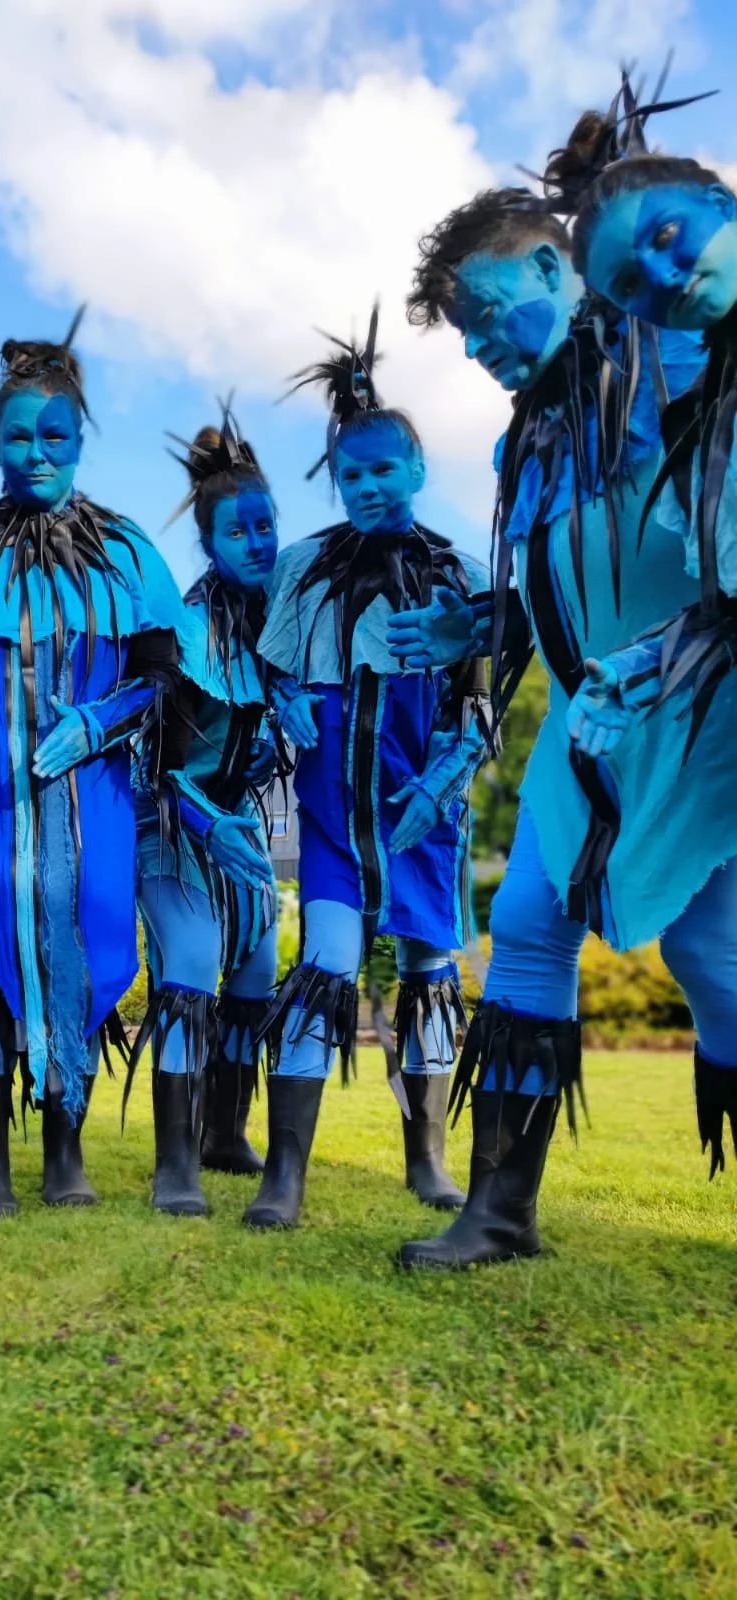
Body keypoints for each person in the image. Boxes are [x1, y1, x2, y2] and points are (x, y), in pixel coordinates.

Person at [395, 106, 732, 1269]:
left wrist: (669, 656)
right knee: (528, 923)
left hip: (701, 717)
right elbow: (558, 586)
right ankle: (498, 1213)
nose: (481, 346)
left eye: (490, 314)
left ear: (556, 264)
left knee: (715, 960)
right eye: (464, 335)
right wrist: (479, 625)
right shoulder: (516, 447)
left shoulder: (679, 351)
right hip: (586, 725)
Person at [0, 311, 187, 1220]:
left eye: (53, 435)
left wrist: (99, 722)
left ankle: (65, 1149)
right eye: (16, 436)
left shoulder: (128, 549)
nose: (35, 453)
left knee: (86, 949)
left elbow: (162, 678)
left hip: (90, 800)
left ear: (80, 436)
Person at [253, 311, 490, 1230]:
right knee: (324, 966)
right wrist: (286, 704)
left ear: (420, 469)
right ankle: (286, 1175)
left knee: (432, 971)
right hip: (331, 821)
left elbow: (477, 703)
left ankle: (428, 1160)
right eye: (351, 473)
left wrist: (444, 776)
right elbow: (271, 672)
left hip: (425, 814)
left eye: (385, 468)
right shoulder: (305, 570)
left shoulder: (462, 573)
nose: (367, 486)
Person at [558, 124, 737, 1176]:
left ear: (720, 198)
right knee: (703, 942)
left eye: (672, 235)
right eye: (634, 277)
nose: (665, 275)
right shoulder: (708, 417)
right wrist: (636, 662)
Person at [130, 410, 281, 1217]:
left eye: (266, 526)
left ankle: (226, 1132)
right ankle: (175, 1164)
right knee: (189, 967)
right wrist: (206, 824)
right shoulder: (186, 630)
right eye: (238, 531)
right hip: (172, 822)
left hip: (238, 820)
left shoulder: (278, 622)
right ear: (209, 541)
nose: (257, 542)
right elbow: (155, 763)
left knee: (256, 971)